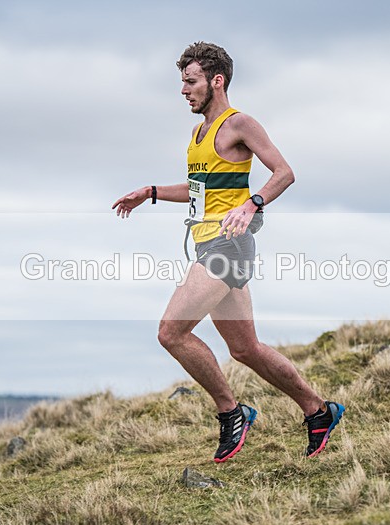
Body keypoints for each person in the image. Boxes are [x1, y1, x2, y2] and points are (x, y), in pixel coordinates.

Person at [112, 42, 344, 462]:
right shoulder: (197, 134)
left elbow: (284, 173)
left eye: (191, 81)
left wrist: (252, 203)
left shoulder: (240, 124)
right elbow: (199, 192)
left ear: (216, 81)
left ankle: (231, 412)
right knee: (245, 349)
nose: (183, 90)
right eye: (183, 82)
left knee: (171, 332)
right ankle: (318, 411)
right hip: (207, 243)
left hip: (229, 245)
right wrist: (150, 192)